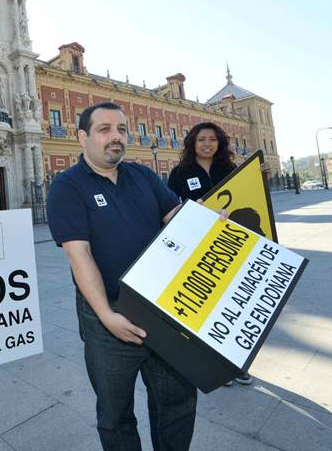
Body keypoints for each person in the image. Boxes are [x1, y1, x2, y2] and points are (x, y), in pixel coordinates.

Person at [47, 101, 201, 451]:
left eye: (121, 129)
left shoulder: (143, 175)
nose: (115, 137)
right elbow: (78, 254)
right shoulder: (67, 187)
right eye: (104, 129)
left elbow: (176, 218)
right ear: (82, 137)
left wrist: (208, 221)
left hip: (162, 307)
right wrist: (106, 316)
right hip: (108, 315)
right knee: (115, 415)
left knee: (176, 401)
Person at [167, 121, 254, 387]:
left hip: (231, 245)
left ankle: (237, 362)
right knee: (208, 304)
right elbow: (170, 209)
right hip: (198, 247)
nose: (207, 144)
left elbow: (247, 200)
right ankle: (214, 360)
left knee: (234, 302)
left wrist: (256, 177)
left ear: (220, 143)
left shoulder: (229, 170)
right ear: (192, 143)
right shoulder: (180, 173)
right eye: (201, 139)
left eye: (213, 139)